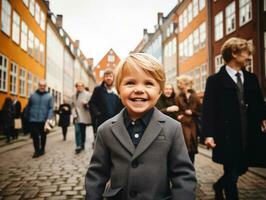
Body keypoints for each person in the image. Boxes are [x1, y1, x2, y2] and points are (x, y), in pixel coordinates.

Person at [85, 53, 196, 200]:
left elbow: (183, 175)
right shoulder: (105, 130)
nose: (139, 89)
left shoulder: (172, 128)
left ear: (159, 92)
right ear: (119, 89)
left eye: (148, 84)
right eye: (130, 82)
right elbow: (96, 175)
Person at [202, 37, 266, 200]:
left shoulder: (251, 78)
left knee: (243, 167)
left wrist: (263, 119)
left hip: (248, 133)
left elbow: (259, 104)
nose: (249, 57)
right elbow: (208, 109)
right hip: (227, 135)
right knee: (230, 171)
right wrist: (208, 134)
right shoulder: (215, 81)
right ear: (234, 53)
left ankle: (218, 185)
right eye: (246, 53)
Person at [89, 68, 123, 139]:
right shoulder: (98, 90)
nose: (108, 78)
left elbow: (122, 104)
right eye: (106, 76)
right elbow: (92, 103)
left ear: (113, 78)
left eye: (110, 76)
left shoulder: (118, 90)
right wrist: (97, 114)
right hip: (102, 120)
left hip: (116, 120)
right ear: (104, 78)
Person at [175, 75, 201, 164]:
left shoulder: (195, 96)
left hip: (192, 125)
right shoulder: (178, 96)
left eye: (180, 83)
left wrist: (192, 112)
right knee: (183, 147)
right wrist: (179, 115)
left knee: (192, 147)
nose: (178, 85)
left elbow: (201, 111)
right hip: (182, 124)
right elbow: (176, 109)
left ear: (185, 83)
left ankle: (191, 168)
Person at [26, 80, 53, 158]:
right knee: (35, 135)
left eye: (43, 85)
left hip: (43, 120)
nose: (42, 87)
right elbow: (29, 106)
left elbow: (51, 108)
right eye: (41, 85)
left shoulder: (49, 96)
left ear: (45, 86)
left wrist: (49, 117)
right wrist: (27, 116)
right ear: (38, 85)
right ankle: (37, 151)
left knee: (43, 135)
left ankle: (42, 149)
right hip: (33, 119)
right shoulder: (33, 95)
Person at [72, 81, 91, 154]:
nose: (79, 88)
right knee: (77, 131)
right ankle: (78, 146)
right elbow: (72, 105)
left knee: (82, 131)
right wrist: (73, 113)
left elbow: (91, 104)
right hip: (76, 116)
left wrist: (87, 104)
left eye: (80, 86)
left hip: (84, 115)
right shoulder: (73, 95)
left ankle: (82, 144)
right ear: (76, 87)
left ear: (83, 87)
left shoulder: (88, 94)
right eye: (77, 86)